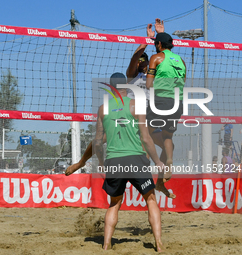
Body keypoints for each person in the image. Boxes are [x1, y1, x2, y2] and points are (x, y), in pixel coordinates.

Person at [65, 19, 165, 176]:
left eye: (143, 60)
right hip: (131, 113)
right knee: (101, 139)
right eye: (139, 60)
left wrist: (161, 35)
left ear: (148, 62)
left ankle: (159, 180)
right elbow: (134, 59)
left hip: (149, 115)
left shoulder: (155, 75)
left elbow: (163, 58)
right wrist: (146, 41)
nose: (140, 62)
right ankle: (81, 162)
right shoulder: (132, 75)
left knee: (166, 145)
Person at [92, 72, 165, 251]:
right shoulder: (135, 105)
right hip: (136, 158)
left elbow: (97, 141)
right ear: (126, 86)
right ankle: (159, 243)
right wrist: (157, 161)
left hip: (114, 160)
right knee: (151, 199)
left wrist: (101, 162)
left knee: (114, 203)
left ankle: (106, 245)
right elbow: (146, 138)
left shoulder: (103, 109)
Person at [145, 31, 186, 198]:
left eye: (156, 43)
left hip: (160, 100)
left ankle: (149, 168)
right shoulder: (181, 61)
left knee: (144, 132)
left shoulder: (156, 58)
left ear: (159, 45)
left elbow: (148, 84)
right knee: (167, 137)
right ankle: (167, 166)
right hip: (178, 103)